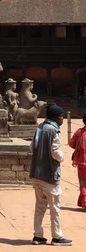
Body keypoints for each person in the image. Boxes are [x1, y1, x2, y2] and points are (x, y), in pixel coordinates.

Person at [29, 103, 72, 246]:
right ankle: (57, 236)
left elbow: (31, 147)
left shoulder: (40, 128)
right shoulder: (53, 130)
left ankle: (38, 236)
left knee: (40, 206)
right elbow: (55, 152)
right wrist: (62, 157)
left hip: (36, 174)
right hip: (49, 176)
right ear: (55, 117)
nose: (62, 119)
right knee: (54, 207)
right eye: (61, 116)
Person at [68, 113, 86, 211]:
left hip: (82, 162)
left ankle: (84, 203)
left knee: (83, 183)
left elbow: (71, 143)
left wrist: (79, 146)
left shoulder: (79, 132)